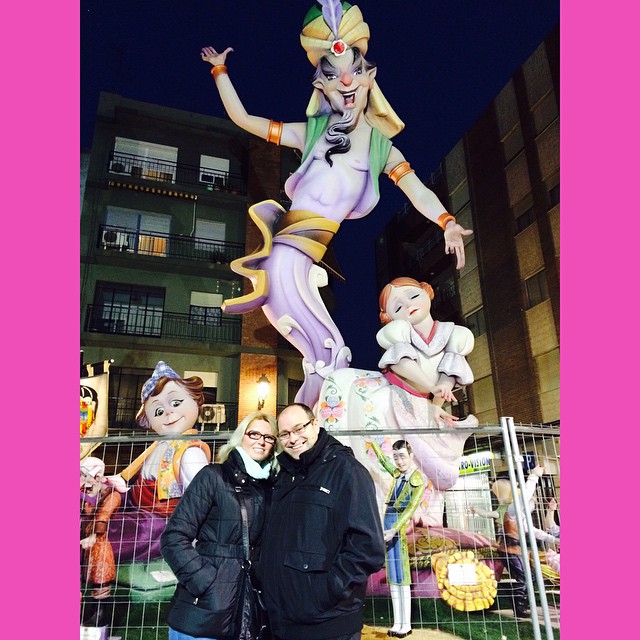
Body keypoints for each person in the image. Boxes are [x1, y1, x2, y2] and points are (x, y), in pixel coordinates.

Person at [200, 1, 473, 407]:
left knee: (327, 357)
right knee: (330, 354)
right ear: (321, 86)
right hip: (285, 253)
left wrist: (446, 221)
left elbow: (417, 191)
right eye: (332, 76)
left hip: (308, 255)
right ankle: (310, 433)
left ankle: (309, 431)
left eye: (355, 72)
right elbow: (244, 119)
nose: (345, 80)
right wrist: (220, 71)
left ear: (369, 78)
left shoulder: (382, 148)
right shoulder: (310, 132)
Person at [255, 402, 385, 640]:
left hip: (328, 623)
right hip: (282, 623)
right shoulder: (284, 476)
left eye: (299, 428)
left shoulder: (347, 471)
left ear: (315, 424)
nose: (293, 439)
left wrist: (325, 593)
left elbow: (368, 548)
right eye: (285, 434)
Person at [161, 411, 279, 640]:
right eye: (254, 434)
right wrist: (204, 581)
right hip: (204, 610)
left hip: (251, 608)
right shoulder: (213, 477)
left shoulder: (271, 487)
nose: (261, 441)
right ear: (241, 437)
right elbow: (174, 537)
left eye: (268, 437)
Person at [108, 362, 212, 565]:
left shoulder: (190, 452)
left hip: (162, 522)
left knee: (122, 533)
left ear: (195, 401)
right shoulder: (156, 447)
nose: (168, 413)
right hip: (138, 509)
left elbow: (200, 500)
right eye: (157, 411)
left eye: (176, 403)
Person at [368, 439, 425, 638]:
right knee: (393, 575)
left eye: (402, 456)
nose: (399, 461)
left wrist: (394, 529)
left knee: (402, 576)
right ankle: (397, 622)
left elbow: (411, 508)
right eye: (396, 457)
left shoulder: (417, 480)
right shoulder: (397, 474)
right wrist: (373, 445)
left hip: (397, 528)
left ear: (411, 456)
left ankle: (405, 624)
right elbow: (384, 462)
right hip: (388, 525)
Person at [495, 465, 558, 619]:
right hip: (510, 550)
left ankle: (523, 603)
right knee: (523, 577)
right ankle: (519, 607)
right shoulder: (512, 511)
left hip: (516, 550)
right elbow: (524, 498)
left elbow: (535, 531)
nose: (533, 503)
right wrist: (534, 476)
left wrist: (554, 539)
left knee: (531, 577)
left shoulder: (521, 516)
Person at [80, 457, 129, 600]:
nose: (83, 482)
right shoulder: (93, 494)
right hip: (89, 542)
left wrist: (93, 537)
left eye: (85, 476)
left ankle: (100, 610)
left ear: (97, 477)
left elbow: (103, 515)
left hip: (101, 543)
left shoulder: (113, 496)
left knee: (100, 579)